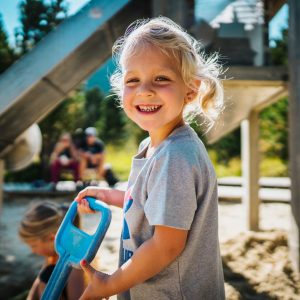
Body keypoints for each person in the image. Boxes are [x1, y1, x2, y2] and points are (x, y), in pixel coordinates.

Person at [75, 16, 225, 300]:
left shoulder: (176, 157)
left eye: (161, 78)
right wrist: (110, 196)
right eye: (133, 79)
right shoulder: (154, 145)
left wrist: (108, 285)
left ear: (190, 89)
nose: (145, 89)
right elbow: (150, 201)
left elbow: (166, 246)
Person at [19, 201, 85, 300]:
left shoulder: (75, 265)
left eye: (33, 245)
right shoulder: (53, 257)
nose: (32, 251)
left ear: (52, 238)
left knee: (47, 275)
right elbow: (35, 290)